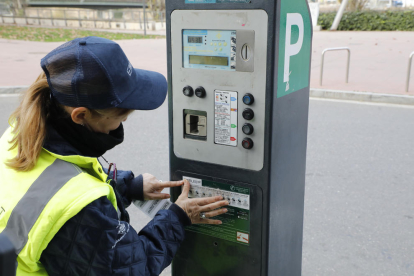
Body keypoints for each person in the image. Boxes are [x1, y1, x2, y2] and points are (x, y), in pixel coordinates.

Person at [0, 36, 229, 276]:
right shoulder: (79, 210)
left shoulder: (21, 133)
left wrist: (127, 186)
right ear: (80, 116)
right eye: (120, 118)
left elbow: (50, 181)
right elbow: (132, 268)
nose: (121, 125)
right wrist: (177, 218)